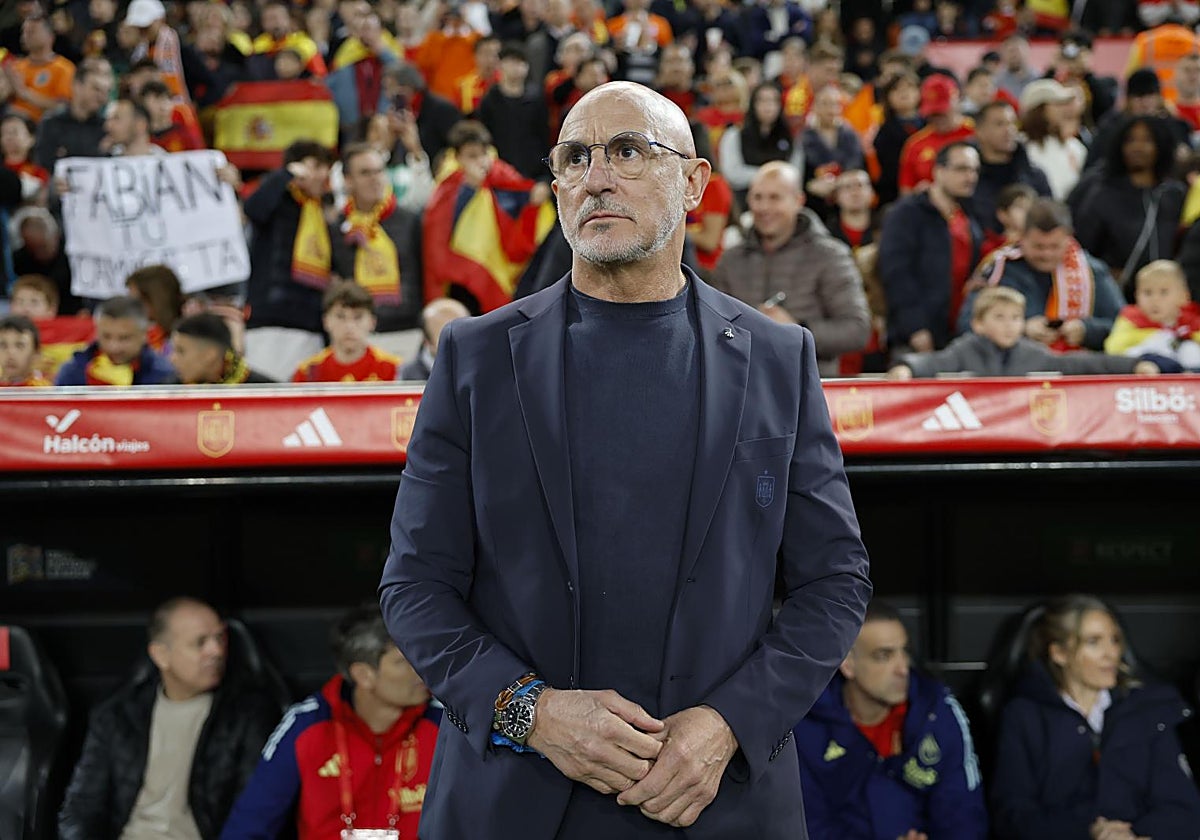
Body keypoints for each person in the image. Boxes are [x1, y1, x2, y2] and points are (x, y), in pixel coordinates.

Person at [379, 80, 871, 839]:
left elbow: (834, 582)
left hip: (714, 798)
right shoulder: (475, 357)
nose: (596, 175)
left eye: (628, 151)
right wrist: (531, 712)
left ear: (696, 182)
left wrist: (729, 725)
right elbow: (415, 585)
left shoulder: (779, 357)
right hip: (515, 799)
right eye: (573, 158)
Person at [58, 597, 281, 840]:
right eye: (200, 643)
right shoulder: (117, 715)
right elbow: (82, 806)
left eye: (220, 638)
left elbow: (254, 811)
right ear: (161, 655)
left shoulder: (247, 714)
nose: (216, 651)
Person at [991, 595, 1200, 840]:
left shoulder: (1146, 710)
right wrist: (1090, 832)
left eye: (1115, 640)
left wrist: (1137, 836)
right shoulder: (1026, 717)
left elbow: (1184, 811)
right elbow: (1013, 817)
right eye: (1094, 642)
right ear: (1059, 653)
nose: (1111, 653)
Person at [220, 605, 439, 840]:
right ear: (364, 675)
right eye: (403, 661)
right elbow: (249, 825)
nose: (421, 669)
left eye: (421, 655)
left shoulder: (445, 723)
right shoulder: (307, 725)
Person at [793, 601, 988, 839]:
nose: (903, 668)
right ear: (847, 664)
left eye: (904, 651)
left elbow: (964, 817)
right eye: (884, 656)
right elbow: (807, 827)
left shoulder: (937, 712)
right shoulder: (806, 725)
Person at [712, 161, 870, 376]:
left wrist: (797, 331)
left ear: (798, 201)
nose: (764, 207)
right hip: (742, 389)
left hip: (809, 388)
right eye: (757, 197)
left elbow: (857, 330)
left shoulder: (830, 255)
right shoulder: (730, 260)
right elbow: (712, 329)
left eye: (775, 198)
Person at [421, 120, 553, 314]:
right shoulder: (448, 185)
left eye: (483, 154)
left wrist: (535, 196)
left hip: (500, 269)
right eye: (471, 156)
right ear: (457, 156)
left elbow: (522, 195)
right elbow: (439, 233)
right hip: (461, 279)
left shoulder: (501, 176)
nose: (480, 161)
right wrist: (469, 190)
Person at [960, 199, 1126, 352]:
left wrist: (1087, 330)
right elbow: (967, 323)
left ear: (1069, 238)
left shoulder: (1092, 272)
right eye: (1038, 246)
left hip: (1076, 370)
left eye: (1055, 246)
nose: (1046, 254)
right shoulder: (999, 269)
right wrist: (1020, 329)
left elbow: (1125, 326)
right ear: (1022, 237)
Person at [889, 287, 1157, 378]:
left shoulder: (1033, 353)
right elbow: (934, 362)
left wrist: (1134, 365)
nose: (1009, 325)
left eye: (1016, 318)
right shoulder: (965, 349)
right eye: (1000, 317)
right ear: (978, 324)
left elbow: (1083, 363)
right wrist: (907, 369)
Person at [243, 140, 336, 382]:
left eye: (324, 167)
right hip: (267, 322)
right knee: (263, 401)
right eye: (314, 166)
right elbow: (253, 209)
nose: (321, 174)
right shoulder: (277, 200)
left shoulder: (325, 211)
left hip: (309, 326)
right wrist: (284, 175)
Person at [880, 141, 983, 353]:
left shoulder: (968, 214)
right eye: (962, 169)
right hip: (917, 334)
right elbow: (896, 274)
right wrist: (915, 327)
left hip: (959, 332)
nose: (970, 177)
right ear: (939, 171)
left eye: (974, 170)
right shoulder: (907, 214)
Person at [1074, 115, 1187, 291]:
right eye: (1130, 140)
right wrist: (1103, 275)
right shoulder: (1102, 195)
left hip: (1166, 296)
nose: (1137, 147)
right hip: (1117, 295)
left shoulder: (1174, 194)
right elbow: (1082, 249)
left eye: (1147, 140)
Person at [330, 143, 423, 335]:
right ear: (348, 180)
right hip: (357, 333)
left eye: (379, 171)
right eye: (365, 173)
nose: (375, 179)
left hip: (407, 330)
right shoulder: (337, 228)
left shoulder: (410, 220)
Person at [292, 281, 404, 383]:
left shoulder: (393, 369)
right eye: (340, 317)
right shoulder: (307, 372)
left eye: (358, 317)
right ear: (326, 321)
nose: (349, 326)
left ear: (372, 322)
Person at [969, 100, 1051, 237]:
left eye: (1012, 123)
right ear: (980, 132)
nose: (1009, 130)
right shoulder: (968, 177)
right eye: (1000, 124)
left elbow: (1049, 219)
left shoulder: (1035, 176)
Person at [54, 296, 177, 385]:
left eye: (124, 338)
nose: (114, 347)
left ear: (144, 335)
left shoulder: (166, 376)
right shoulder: (73, 372)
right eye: (106, 336)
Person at [1105, 259, 1200, 371]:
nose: (1155, 300)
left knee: (1190, 349)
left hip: (1181, 370)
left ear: (1184, 296)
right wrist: (1154, 336)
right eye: (1147, 293)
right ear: (1136, 296)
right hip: (1145, 369)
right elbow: (1113, 348)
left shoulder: (1190, 320)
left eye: (1164, 292)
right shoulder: (1131, 318)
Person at [476, 41, 551, 181]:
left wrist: (545, 176)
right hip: (499, 174)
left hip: (533, 174)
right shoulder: (489, 101)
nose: (515, 67)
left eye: (520, 62)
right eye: (511, 61)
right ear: (500, 65)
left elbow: (544, 137)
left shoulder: (536, 99)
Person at [718, 81, 804, 201]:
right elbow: (732, 173)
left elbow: (795, 174)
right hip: (743, 198)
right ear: (753, 104)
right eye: (762, 101)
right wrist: (773, 177)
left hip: (781, 200)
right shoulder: (734, 135)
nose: (768, 106)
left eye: (773, 101)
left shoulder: (790, 137)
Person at [897, 74, 975, 195]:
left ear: (957, 101)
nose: (937, 118)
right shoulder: (915, 144)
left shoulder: (976, 133)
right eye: (932, 113)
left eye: (942, 112)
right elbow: (906, 190)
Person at [32, 57, 112, 171]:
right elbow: (43, 167)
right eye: (96, 89)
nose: (102, 97)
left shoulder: (108, 128)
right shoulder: (51, 123)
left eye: (106, 91)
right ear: (77, 86)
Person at [800, 85, 865, 219]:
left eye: (835, 104)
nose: (830, 109)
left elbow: (856, 165)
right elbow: (801, 173)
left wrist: (838, 184)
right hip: (814, 202)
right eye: (825, 104)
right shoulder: (803, 138)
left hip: (846, 198)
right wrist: (810, 185)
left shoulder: (850, 135)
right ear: (814, 107)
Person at [1021, 78, 1088, 201]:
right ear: (1040, 110)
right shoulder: (1022, 148)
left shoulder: (1074, 146)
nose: (1064, 110)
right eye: (1058, 104)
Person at [4, 11, 75, 122]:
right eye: (24, 32)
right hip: (10, 123)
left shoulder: (65, 69)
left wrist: (25, 93)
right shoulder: (16, 66)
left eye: (31, 31)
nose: (25, 36)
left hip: (43, 128)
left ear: (50, 36)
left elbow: (63, 108)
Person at [170, 313, 274, 385]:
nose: (172, 359)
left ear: (210, 355)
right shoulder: (165, 394)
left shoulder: (267, 395)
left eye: (181, 351)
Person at [871, 70, 923, 207]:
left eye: (909, 87)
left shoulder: (931, 125)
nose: (904, 93)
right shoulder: (883, 133)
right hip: (895, 197)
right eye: (896, 89)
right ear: (887, 97)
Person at [397, 297, 470, 381]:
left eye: (464, 334)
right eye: (448, 338)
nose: (459, 343)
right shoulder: (408, 377)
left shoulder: (482, 366)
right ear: (427, 342)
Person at [125, 263, 183, 354]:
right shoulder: (133, 338)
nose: (130, 308)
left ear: (156, 300)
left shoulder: (187, 338)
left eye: (136, 302)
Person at [0, 314, 50, 386]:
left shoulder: (45, 390)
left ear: (36, 353)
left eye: (20, 345)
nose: (10, 352)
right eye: (3, 345)